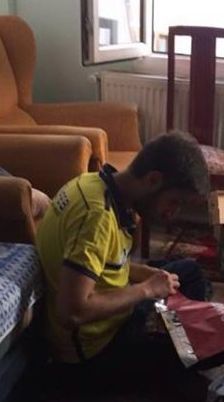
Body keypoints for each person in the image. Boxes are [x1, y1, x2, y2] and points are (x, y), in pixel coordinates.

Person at [34, 131, 211, 383]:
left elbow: (102, 262)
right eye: (174, 201)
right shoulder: (97, 218)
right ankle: (176, 366)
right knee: (204, 354)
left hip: (108, 315)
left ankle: (175, 344)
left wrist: (144, 274)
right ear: (153, 180)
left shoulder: (92, 182)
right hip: (93, 351)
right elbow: (72, 312)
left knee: (188, 272)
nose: (173, 213)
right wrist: (147, 289)